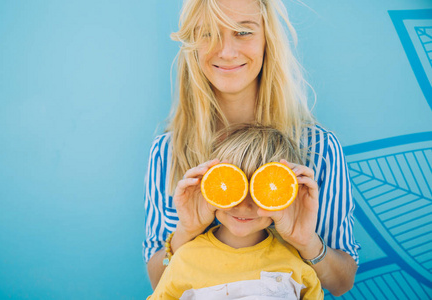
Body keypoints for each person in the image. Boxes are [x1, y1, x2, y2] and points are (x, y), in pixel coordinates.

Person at [143, 0, 360, 296]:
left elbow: (341, 283)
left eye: (243, 33)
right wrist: (187, 231)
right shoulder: (168, 151)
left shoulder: (318, 149)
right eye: (208, 33)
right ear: (193, 43)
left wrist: (306, 241)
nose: (227, 51)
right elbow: (160, 283)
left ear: (267, 39)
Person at [148, 124, 324, 299]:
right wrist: (179, 239)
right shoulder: (184, 258)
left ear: (284, 194)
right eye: (233, 187)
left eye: (260, 191)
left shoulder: (295, 260)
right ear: (210, 185)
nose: (243, 205)